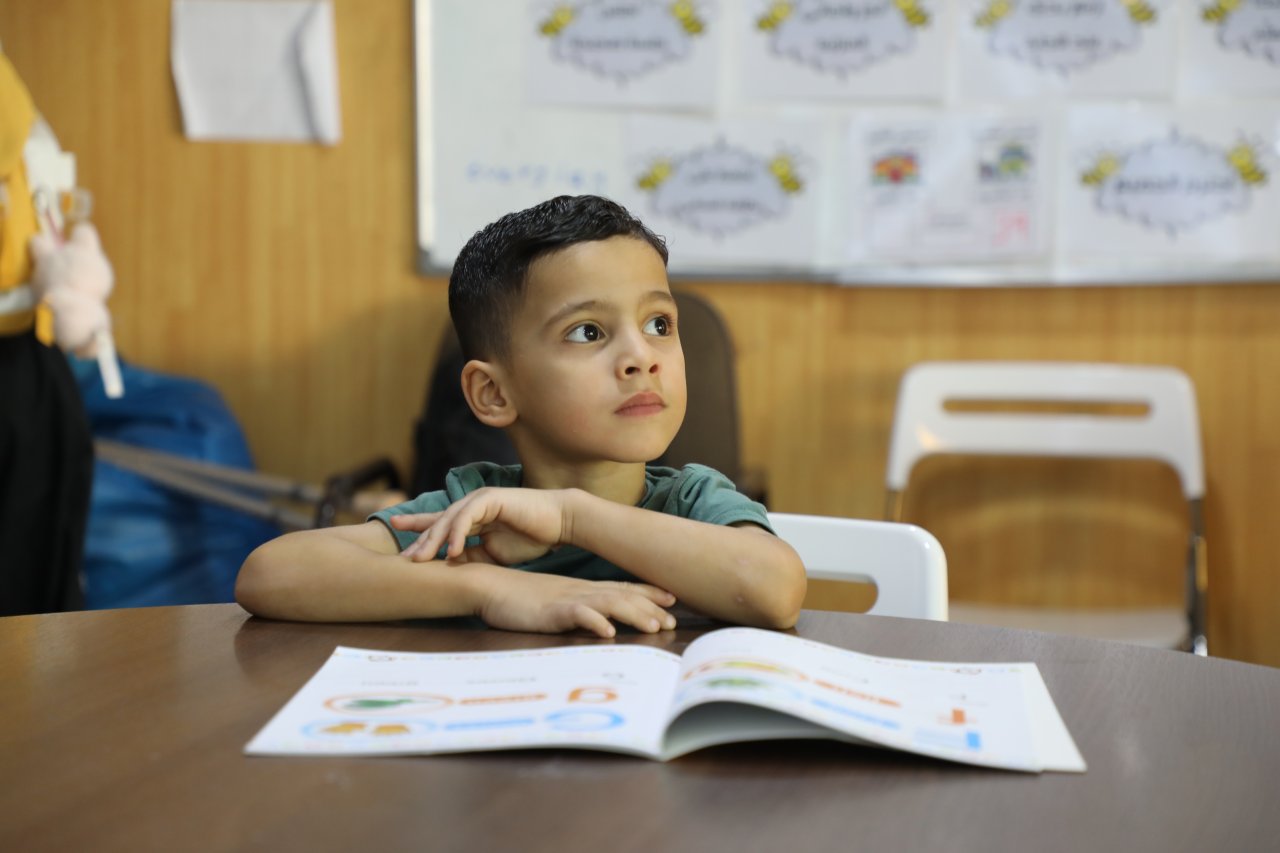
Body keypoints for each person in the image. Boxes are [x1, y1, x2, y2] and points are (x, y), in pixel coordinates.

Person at [235, 195, 806, 637]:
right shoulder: (473, 517)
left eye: (660, 324)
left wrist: (570, 519)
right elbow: (268, 575)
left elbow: (775, 591)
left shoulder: (693, 503)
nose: (641, 358)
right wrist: (486, 588)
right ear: (493, 393)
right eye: (588, 332)